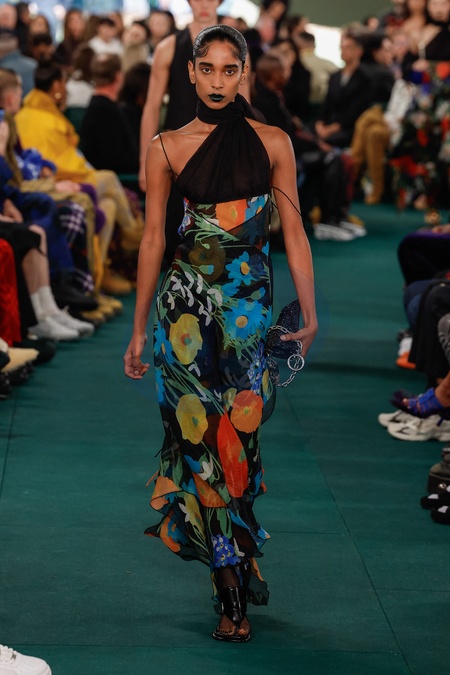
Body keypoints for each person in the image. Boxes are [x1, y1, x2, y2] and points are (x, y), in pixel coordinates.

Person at [124, 25, 317, 642]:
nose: (215, 81)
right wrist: (137, 329)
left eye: (228, 70)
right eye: (205, 68)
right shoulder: (166, 146)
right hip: (183, 314)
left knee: (242, 443)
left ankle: (238, 546)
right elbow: (154, 240)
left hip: (249, 315)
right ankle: (227, 579)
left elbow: (293, 232)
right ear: (190, 72)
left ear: (244, 73)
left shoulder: (274, 142)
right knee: (200, 441)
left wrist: (309, 311)